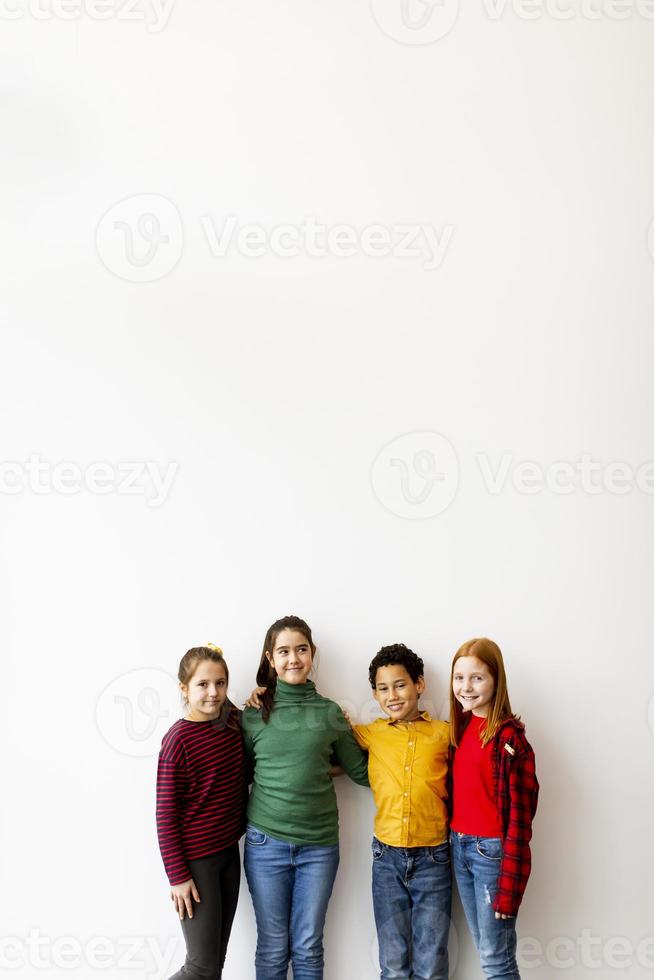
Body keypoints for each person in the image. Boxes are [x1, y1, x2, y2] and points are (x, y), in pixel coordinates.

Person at [242, 614, 369, 980]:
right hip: (266, 844)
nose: (293, 658)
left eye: (301, 649)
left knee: (309, 946)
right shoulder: (254, 714)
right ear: (270, 658)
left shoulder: (330, 714)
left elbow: (359, 771)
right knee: (272, 946)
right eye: (283, 651)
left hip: (319, 848)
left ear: (313, 653)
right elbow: (248, 772)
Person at [351, 643, 451, 980]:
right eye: (382, 688)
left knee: (431, 958)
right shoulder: (372, 734)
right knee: (392, 961)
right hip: (387, 857)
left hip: (434, 857)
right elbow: (329, 748)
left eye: (400, 684)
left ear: (419, 685)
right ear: (375, 695)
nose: (392, 695)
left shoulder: (444, 733)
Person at [449, 637, 539, 980]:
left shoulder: (511, 740)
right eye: (459, 677)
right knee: (484, 947)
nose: (466, 687)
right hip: (458, 846)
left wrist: (509, 890)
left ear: (496, 680)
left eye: (477, 678)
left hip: (492, 855)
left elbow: (521, 820)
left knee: (495, 958)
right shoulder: (460, 727)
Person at [156, 645, 247, 980]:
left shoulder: (232, 722)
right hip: (196, 865)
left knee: (214, 965)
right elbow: (165, 816)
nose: (213, 692)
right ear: (184, 688)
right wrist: (177, 876)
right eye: (203, 684)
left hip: (228, 854)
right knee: (200, 967)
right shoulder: (178, 740)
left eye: (220, 683)